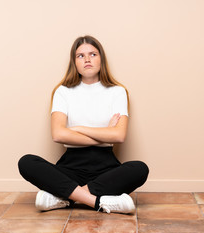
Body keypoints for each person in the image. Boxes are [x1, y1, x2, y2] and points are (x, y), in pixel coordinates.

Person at [18, 35, 149, 214]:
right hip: (70, 168)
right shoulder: (63, 92)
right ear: (74, 62)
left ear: (101, 59)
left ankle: (62, 199)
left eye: (93, 54)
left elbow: (119, 136)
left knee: (139, 169)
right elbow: (58, 134)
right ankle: (99, 202)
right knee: (26, 162)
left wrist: (78, 129)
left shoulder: (117, 92)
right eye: (80, 56)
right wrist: (104, 134)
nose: (87, 59)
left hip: (106, 169)